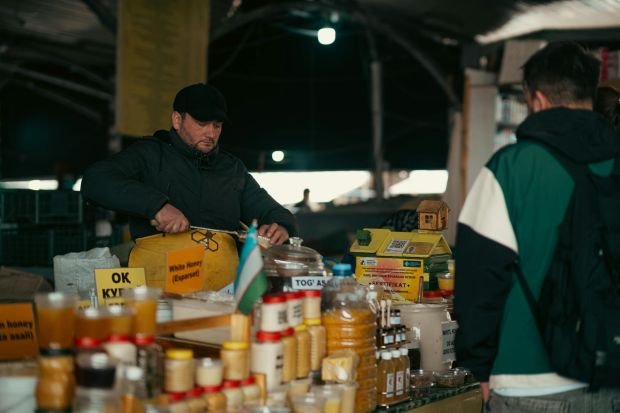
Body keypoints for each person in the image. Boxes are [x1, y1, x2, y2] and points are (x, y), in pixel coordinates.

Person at [454, 42, 620, 412]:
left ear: (537, 98)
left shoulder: (511, 168)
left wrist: (478, 366)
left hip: (525, 380)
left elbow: (479, 277)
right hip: (611, 375)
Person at [82, 83, 298, 290]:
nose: (211, 133)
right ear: (177, 120)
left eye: (217, 125)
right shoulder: (149, 154)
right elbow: (95, 181)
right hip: (158, 291)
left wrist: (281, 225)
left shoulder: (232, 169)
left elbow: (270, 210)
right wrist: (156, 206)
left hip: (224, 293)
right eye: (202, 123)